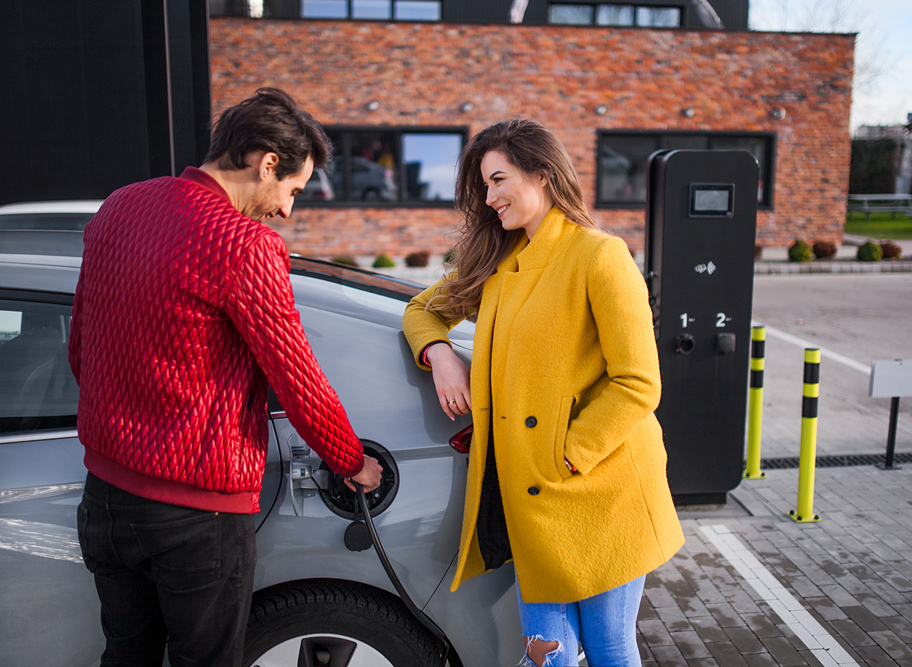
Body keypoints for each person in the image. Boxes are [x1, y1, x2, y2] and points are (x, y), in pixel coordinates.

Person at [70, 87, 382, 667]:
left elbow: (80, 348)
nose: (287, 210)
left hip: (106, 499)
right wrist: (352, 462)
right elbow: (298, 379)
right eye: (291, 190)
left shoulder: (119, 205)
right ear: (266, 163)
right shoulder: (245, 245)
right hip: (197, 516)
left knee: (125, 655)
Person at [402, 119, 685, 667]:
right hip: (529, 498)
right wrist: (440, 356)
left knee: (607, 649)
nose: (490, 198)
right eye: (484, 186)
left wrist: (567, 454)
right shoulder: (497, 261)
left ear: (544, 174)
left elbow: (638, 382)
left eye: (499, 180)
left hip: (599, 488)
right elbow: (421, 310)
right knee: (546, 656)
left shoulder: (600, 256)